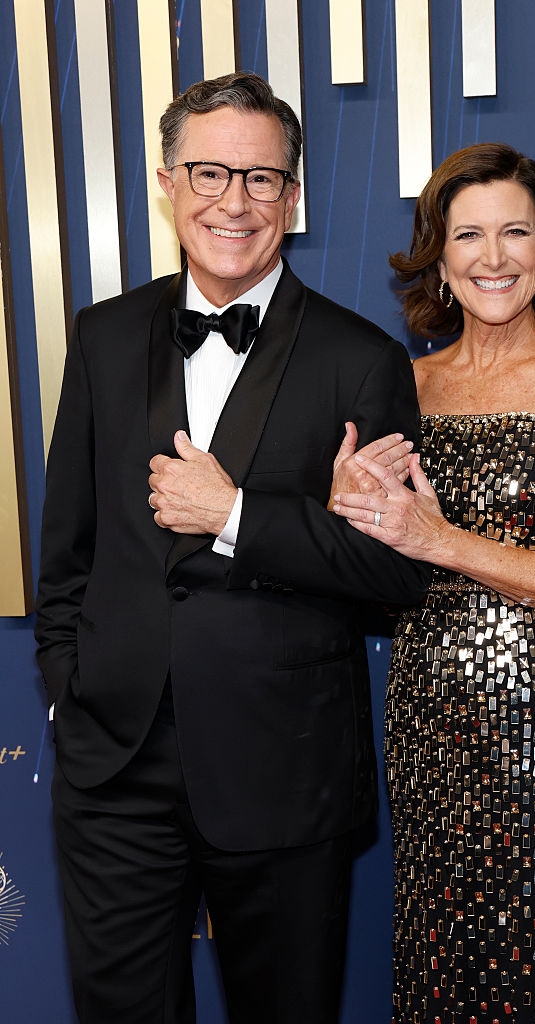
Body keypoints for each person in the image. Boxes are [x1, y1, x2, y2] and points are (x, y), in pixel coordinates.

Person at [34, 71, 430, 1024]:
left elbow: (395, 569)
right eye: (209, 172)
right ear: (168, 184)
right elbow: (69, 547)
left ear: (294, 200)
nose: (233, 201)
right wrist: (67, 691)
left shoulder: (360, 358)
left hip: (283, 767)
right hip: (114, 765)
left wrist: (236, 513)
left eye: (261, 178)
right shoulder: (103, 335)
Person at [332, 142, 535, 1023]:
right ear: (439, 254)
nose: (493, 257)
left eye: (515, 231)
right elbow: (373, 575)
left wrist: (441, 538)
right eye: (467, 234)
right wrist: (347, 517)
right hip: (428, 718)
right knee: (444, 960)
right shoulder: (405, 387)